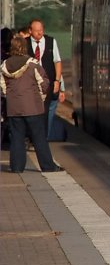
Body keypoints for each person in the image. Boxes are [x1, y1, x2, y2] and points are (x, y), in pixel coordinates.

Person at [0, 36, 63, 172]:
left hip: (14, 108)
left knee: (17, 137)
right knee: (39, 137)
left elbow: (2, 87)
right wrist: (40, 97)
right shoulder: (33, 64)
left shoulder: (4, 65)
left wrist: (10, 97)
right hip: (33, 107)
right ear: (24, 47)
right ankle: (48, 166)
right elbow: (44, 83)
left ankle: (17, 167)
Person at [26, 19, 65, 141]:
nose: (39, 33)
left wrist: (57, 81)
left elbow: (57, 62)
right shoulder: (25, 43)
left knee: (45, 111)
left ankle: (41, 138)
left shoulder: (51, 42)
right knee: (32, 111)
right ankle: (33, 136)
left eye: (41, 30)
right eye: (36, 31)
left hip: (47, 83)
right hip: (30, 84)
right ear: (30, 31)